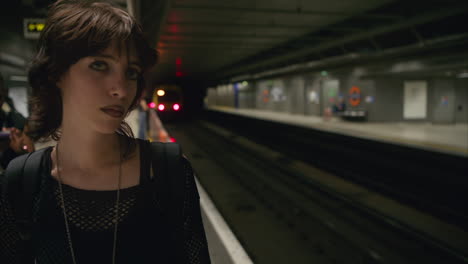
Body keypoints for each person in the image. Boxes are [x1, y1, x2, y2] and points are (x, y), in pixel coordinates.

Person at [0, 1, 210, 263]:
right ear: (56, 73)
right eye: (99, 65)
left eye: (131, 72)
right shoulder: (23, 181)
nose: (121, 90)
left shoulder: (170, 172)